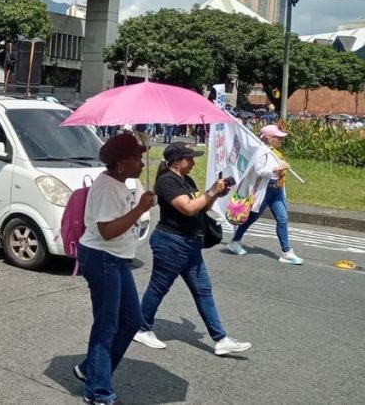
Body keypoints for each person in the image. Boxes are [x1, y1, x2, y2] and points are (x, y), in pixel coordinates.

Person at [133, 142, 252, 356]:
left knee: (203, 290)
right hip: (171, 242)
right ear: (177, 161)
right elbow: (187, 209)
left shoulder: (185, 180)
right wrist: (210, 192)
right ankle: (142, 328)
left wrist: (215, 193)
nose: (194, 162)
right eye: (190, 158)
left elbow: (201, 205)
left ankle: (220, 338)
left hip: (190, 243)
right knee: (159, 287)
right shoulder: (167, 181)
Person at [74, 134, 156, 405]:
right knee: (107, 325)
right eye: (136, 158)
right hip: (102, 257)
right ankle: (98, 392)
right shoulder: (107, 187)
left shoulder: (121, 183)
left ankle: (90, 369)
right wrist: (140, 208)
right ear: (121, 163)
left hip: (117, 259)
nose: (141, 163)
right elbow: (107, 231)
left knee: (132, 321)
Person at [227, 125, 303, 265]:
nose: (281, 140)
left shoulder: (275, 152)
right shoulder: (261, 151)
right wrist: (277, 168)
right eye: (278, 137)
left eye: (281, 138)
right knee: (251, 218)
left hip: (277, 190)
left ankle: (286, 252)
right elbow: (259, 170)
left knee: (282, 218)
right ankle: (235, 241)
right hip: (265, 190)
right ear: (269, 138)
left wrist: (280, 169)